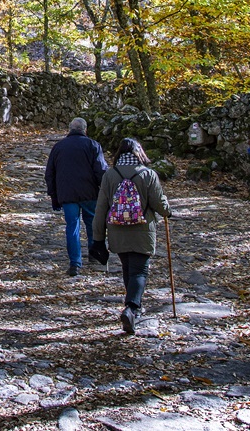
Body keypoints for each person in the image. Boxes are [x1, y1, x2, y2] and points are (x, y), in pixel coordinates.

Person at [90, 137, 171, 334]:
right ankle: (132, 308)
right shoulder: (148, 174)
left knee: (128, 269)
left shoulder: (110, 175)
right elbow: (159, 204)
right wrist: (168, 210)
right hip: (143, 231)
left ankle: (133, 308)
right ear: (139, 152)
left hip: (117, 232)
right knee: (140, 271)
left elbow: (101, 208)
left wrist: (98, 238)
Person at [45, 117, 108, 277]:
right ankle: (94, 256)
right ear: (85, 130)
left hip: (67, 195)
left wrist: (54, 195)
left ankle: (75, 263)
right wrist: (105, 190)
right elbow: (101, 170)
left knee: (72, 227)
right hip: (90, 193)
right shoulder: (93, 145)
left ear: (70, 129)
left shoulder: (58, 147)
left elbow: (50, 174)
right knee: (92, 225)